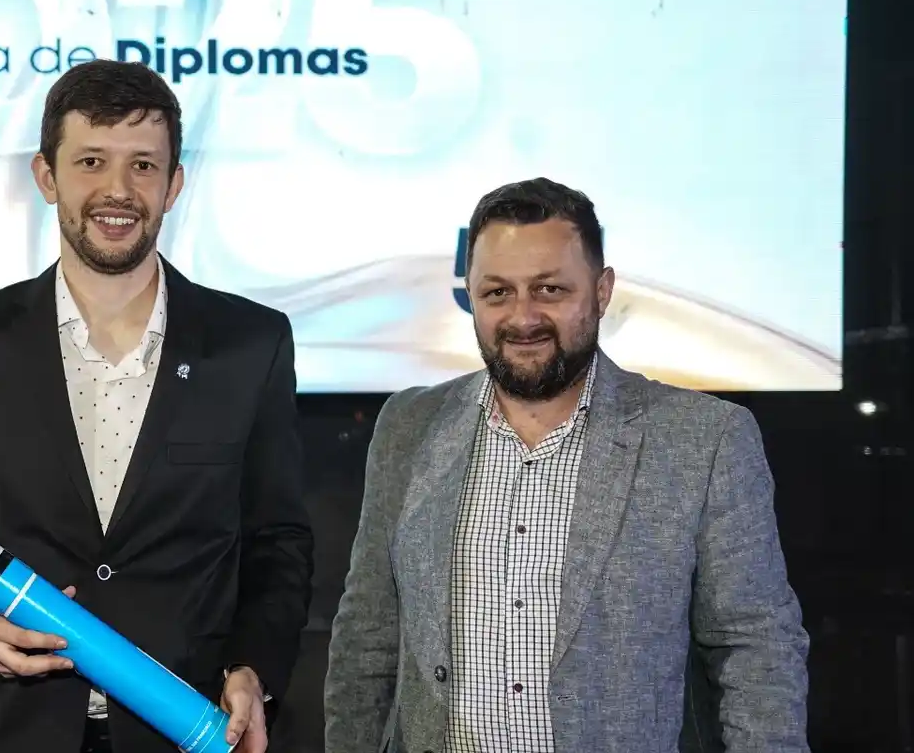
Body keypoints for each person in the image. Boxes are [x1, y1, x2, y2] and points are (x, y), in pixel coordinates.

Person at [0, 59, 314, 753]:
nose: (118, 190)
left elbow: (277, 540)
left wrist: (253, 669)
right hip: (12, 728)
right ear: (47, 176)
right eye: (91, 160)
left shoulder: (251, 344)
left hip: (188, 727)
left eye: (143, 166)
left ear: (174, 185)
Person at [323, 178, 810, 753]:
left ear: (602, 291)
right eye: (496, 293)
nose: (522, 317)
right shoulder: (408, 424)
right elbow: (367, 637)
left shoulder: (705, 439)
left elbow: (755, 648)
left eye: (550, 289)